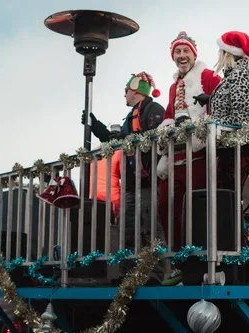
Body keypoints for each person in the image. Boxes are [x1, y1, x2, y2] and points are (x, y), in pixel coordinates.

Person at [81, 72, 166, 285]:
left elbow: (153, 138)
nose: (124, 96)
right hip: (130, 183)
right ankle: (129, 273)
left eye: (126, 91)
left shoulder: (153, 110)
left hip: (148, 181)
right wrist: (96, 126)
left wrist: (125, 140)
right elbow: (117, 141)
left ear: (136, 91)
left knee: (149, 228)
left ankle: (154, 274)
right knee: (129, 229)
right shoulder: (130, 116)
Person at [157, 31, 222, 286]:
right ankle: (177, 262)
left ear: (194, 55)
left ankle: (200, 263)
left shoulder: (208, 76)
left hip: (199, 154)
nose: (181, 56)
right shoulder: (174, 86)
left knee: (199, 209)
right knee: (165, 206)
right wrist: (167, 127)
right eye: (177, 52)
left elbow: (222, 104)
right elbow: (168, 115)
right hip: (176, 157)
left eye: (185, 52)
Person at [209, 30, 249, 191]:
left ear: (227, 53)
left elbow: (240, 118)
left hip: (237, 147)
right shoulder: (235, 75)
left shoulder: (239, 75)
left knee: (227, 196)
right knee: (228, 196)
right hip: (233, 147)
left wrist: (213, 124)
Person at [89, 147, 122, 219]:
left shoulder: (93, 154)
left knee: (98, 223)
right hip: (113, 197)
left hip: (95, 195)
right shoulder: (118, 152)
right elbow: (123, 173)